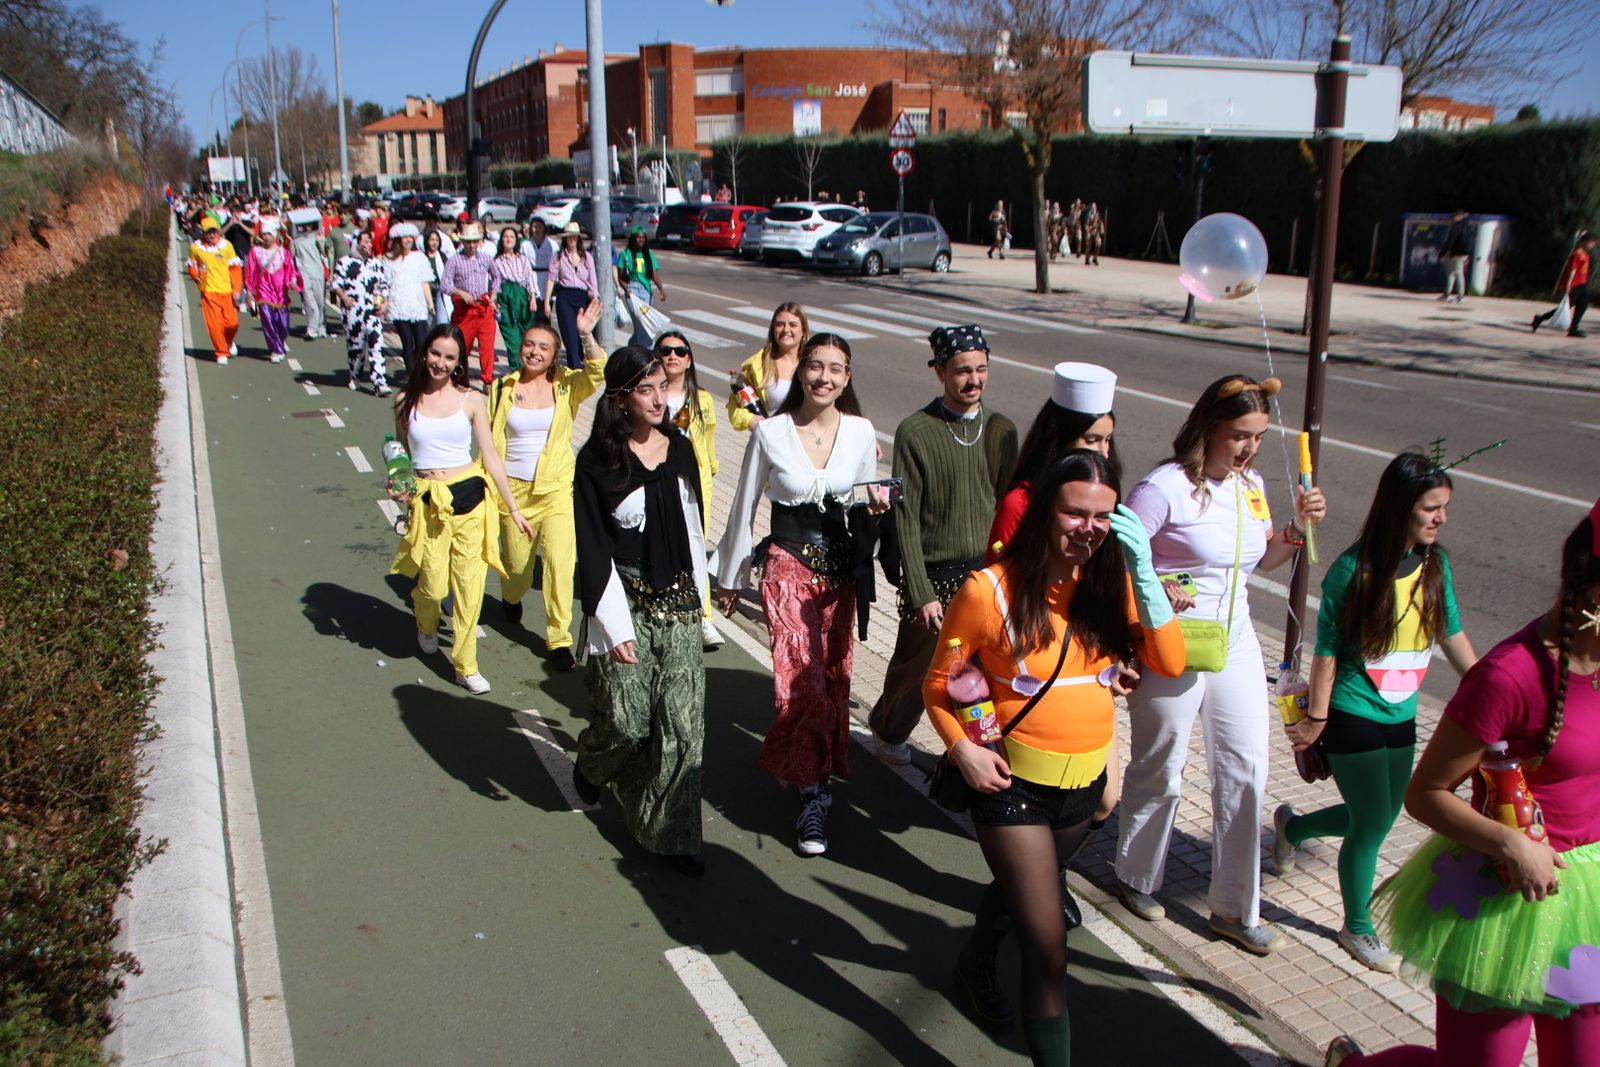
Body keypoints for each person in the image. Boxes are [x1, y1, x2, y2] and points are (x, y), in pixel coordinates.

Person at [927, 450, 1185, 1060]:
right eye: (1074, 513)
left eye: (1103, 517)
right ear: (1046, 510)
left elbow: (1170, 662)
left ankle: (975, 959)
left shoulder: (1111, 584)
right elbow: (939, 685)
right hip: (1010, 784)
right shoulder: (987, 590)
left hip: (1085, 785)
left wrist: (1144, 573)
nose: (1087, 529)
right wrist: (961, 749)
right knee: (1047, 949)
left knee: (1025, 895)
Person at [1324, 500, 1600, 1067]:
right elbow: (1425, 793)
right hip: (1502, 896)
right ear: (1591, 591)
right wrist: (1511, 843)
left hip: (1588, 902)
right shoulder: (1508, 676)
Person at [1112, 373, 1328, 955]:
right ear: (1207, 426)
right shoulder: (1163, 487)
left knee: (1246, 767)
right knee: (1163, 764)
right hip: (1171, 644)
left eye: (1257, 437)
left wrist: (1295, 531)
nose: (1248, 448)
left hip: (1233, 642)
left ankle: (1235, 908)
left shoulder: (1250, 486)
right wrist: (1160, 587)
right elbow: (1118, 562)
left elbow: (1266, 560)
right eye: (1238, 435)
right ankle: (1136, 876)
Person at [1275, 452, 1478, 973]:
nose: (1441, 519)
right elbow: (1326, 649)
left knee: (1383, 816)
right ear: (1399, 508)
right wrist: (1314, 722)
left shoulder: (1437, 564)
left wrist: (1486, 689)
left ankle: (1294, 830)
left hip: (1402, 711)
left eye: (1444, 508)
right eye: (1431, 508)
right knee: (1370, 825)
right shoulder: (1352, 569)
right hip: (1351, 710)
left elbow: (1450, 631)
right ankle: (1357, 928)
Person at [715, 333, 887, 856]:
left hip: (839, 573)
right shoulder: (770, 433)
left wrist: (875, 506)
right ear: (800, 373)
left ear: (848, 377)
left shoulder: (861, 432)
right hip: (787, 565)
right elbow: (743, 505)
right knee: (803, 682)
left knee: (834, 679)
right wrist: (731, 576)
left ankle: (811, 766)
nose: (825, 378)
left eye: (836, 369)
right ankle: (813, 794)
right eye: (816, 366)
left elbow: (862, 502)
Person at [572, 345, 712, 878]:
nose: (658, 398)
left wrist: (704, 602)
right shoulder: (597, 461)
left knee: (682, 726)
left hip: (676, 601)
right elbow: (592, 545)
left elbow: (695, 525)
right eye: (645, 389)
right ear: (621, 398)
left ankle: (674, 835)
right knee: (629, 725)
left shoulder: (679, 448)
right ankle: (592, 763)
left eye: (662, 386)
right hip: (623, 599)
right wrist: (610, 624)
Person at [868, 325, 1019, 767]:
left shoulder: (1002, 430)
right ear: (939, 372)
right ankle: (888, 727)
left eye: (981, 369)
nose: (973, 380)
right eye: (961, 371)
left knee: (985, 677)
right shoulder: (916, 430)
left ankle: (977, 752)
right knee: (916, 672)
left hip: (986, 575)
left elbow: (1011, 506)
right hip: (935, 577)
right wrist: (921, 592)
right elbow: (906, 517)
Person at [389, 324, 531, 695]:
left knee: (469, 589)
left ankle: (466, 664)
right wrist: (399, 487)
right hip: (428, 502)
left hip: (470, 498)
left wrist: (513, 509)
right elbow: (402, 456)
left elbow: (491, 457)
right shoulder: (405, 400)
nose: (440, 362)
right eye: (435, 353)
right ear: (424, 354)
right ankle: (425, 622)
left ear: (458, 362)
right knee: (434, 588)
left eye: (450, 357)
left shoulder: (472, 399)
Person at [487, 304, 605, 673]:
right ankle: (510, 595)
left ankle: (558, 639)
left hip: (556, 490)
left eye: (543, 347)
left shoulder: (567, 385)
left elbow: (598, 371)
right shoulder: (502, 388)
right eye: (529, 345)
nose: (534, 352)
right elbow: (488, 442)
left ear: (554, 354)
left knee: (558, 564)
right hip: (513, 492)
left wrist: (586, 334)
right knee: (518, 568)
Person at [988, 363, 1119, 561]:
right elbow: (996, 577)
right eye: (1092, 440)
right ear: (1061, 438)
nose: (1104, 452)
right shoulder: (1020, 503)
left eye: (1108, 440)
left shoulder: (1107, 497)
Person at [654, 329, 722, 650]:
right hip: (656, 479)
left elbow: (707, 441)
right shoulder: (649, 395)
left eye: (680, 351)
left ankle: (704, 618)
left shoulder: (703, 399)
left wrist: (710, 470)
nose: (672, 356)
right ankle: (663, 609)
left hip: (694, 482)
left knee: (696, 546)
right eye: (666, 350)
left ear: (689, 358)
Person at [726, 303, 808, 432]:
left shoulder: (813, 364)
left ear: (803, 330)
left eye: (792, 325)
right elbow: (734, 404)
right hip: (769, 442)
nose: (786, 330)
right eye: (780, 324)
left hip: (805, 442)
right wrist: (749, 419)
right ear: (773, 329)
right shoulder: (757, 365)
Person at [440, 222, 502, 387]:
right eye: (468, 241)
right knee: (462, 347)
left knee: (487, 347)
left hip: (483, 308)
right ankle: (458, 378)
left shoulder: (486, 259)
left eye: (474, 241)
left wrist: (494, 294)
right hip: (465, 310)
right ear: (462, 242)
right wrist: (460, 292)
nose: (471, 245)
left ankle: (487, 379)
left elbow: (497, 277)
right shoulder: (454, 261)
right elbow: (445, 284)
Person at [333, 230, 392, 396]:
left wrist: (385, 303)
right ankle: (355, 374)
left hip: (372, 311)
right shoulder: (344, 262)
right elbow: (336, 283)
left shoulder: (376, 264)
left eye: (370, 241)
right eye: (365, 241)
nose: (368, 245)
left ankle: (379, 382)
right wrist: (343, 297)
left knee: (376, 344)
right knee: (356, 348)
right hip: (353, 311)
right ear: (356, 242)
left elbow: (383, 286)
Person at [242, 216, 302, 363]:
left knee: (283, 324)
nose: (267, 237)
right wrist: (250, 292)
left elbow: (290, 270)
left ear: (275, 235)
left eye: (269, 234)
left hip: (281, 292)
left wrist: (293, 281)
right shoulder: (255, 252)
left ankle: (280, 341)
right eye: (264, 234)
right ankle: (275, 349)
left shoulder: (284, 252)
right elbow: (250, 272)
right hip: (263, 290)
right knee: (268, 320)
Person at [188, 217, 243, 365]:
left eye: (214, 231)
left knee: (232, 323)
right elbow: (192, 266)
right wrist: (195, 276)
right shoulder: (196, 248)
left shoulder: (227, 246)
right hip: (208, 291)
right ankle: (221, 351)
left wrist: (237, 288)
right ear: (203, 233)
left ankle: (229, 343)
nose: (212, 235)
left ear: (218, 231)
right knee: (215, 324)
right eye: (208, 232)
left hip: (227, 291)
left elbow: (236, 268)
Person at [383, 222, 433, 382]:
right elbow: (386, 284)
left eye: (410, 237)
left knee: (421, 342)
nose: (408, 240)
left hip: (417, 305)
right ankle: (413, 376)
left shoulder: (420, 257)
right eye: (404, 238)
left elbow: (425, 282)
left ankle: (420, 371)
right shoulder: (389, 259)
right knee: (407, 342)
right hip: (399, 305)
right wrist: (385, 304)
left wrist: (430, 303)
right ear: (398, 240)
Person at [547, 221, 599, 370]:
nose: (572, 239)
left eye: (575, 237)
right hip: (565, 296)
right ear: (565, 238)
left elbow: (592, 280)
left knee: (580, 336)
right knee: (569, 334)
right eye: (569, 237)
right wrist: (547, 301)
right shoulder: (558, 256)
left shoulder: (586, 257)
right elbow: (551, 278)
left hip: (582, 296)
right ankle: (574, 368)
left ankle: (582, 361)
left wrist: (595, 297)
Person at [1531, 230, 1595, 339]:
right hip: (1575, 285)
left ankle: (1574, 328)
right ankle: (1540, 319)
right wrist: (1568, 285)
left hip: (1583, 284)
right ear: (1584, 242)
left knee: (1582, 306)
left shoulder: (1585, 255)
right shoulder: (1576, 255)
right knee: (1566, 307)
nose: (1592, 245)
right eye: (1591, 242)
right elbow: (1572, 270)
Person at [493, 226, 538, 374]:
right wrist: (494, 302)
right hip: (505, 295)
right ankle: (516, 370)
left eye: (511, 237)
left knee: (527, 334)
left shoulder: (522, 259)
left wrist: (532, 297)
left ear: (516, 240)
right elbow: (494, 282)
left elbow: (530, 277)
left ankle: (530, 368)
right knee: (511, 336)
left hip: (522, 295)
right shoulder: (496, 261)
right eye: (505, 237)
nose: (508, 239)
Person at [616, 227, 667, 349]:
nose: (640, 240)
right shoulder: (625, 254)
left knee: (644, 323)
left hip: (646, 291)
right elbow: (620, 276)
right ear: (633, 238)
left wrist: (661, 289)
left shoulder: (649, 254)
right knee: (639, 322)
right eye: (638, 237)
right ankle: (649, 350)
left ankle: (632, 347)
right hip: (632, 290)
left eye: (643, 237)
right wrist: (625, 287)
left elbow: (654, 274)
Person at [288, 206, 330, 341]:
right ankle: (312, 327)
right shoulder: (296, 240)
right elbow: (292, 255)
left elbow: (325, 255)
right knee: (308, 299)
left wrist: (320, 242)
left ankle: (322, 326)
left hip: (317, 270)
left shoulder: (318, 237)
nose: (305, 228)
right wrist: (290, 241)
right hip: (303, 271)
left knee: (320, 300)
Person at [519, 218, 557, 322]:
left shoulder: (552, 244)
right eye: (534, 227)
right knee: (533, 314)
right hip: (531, 277)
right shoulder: (525, 244)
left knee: (546, 313)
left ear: (544, 228)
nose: (537, 230)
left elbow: (556, 265)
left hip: (547, 278)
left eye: (539, 227)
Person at [1439, 209, 1470, 303]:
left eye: (1453, 217)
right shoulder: (1467, 227)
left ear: (1457, 217)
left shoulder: (1456, 227)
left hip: (1456, 253)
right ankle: (1448, 293)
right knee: (1453, 273)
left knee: (1456, 273)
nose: (1452, 218)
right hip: (1464, 253)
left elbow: (1450, 241)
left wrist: (1443, 253)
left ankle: (1459, 296)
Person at [423, 228, 452, 327]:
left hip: (440, 291)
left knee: (442, 321)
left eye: (436, 240)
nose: (434, 243)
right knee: (429, 322)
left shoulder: (443, 256)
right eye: (431, 240)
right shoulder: (422, 257)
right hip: (425, 291)